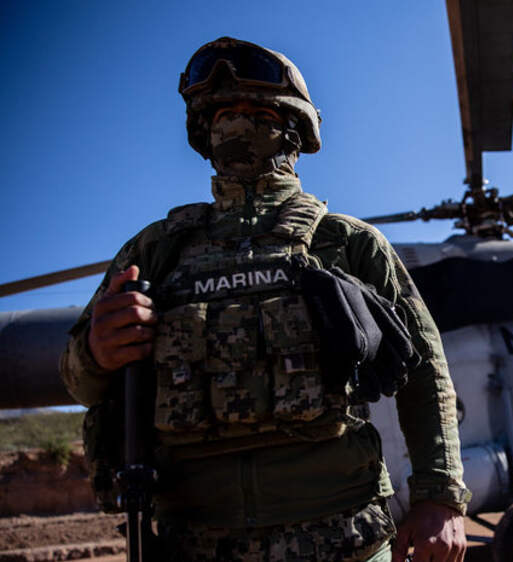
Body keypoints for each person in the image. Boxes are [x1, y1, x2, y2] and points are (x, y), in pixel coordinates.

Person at [60, 37, 470, 561]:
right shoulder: (155, 251)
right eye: (223, 114)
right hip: (197, 543)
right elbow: (79, 380)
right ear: (204, 132)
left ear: (293, 130)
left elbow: (424, 369)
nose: (237, 125)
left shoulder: (346, 243)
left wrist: (440, 496)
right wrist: (95, 351)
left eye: (257, 114)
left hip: (343, 537)